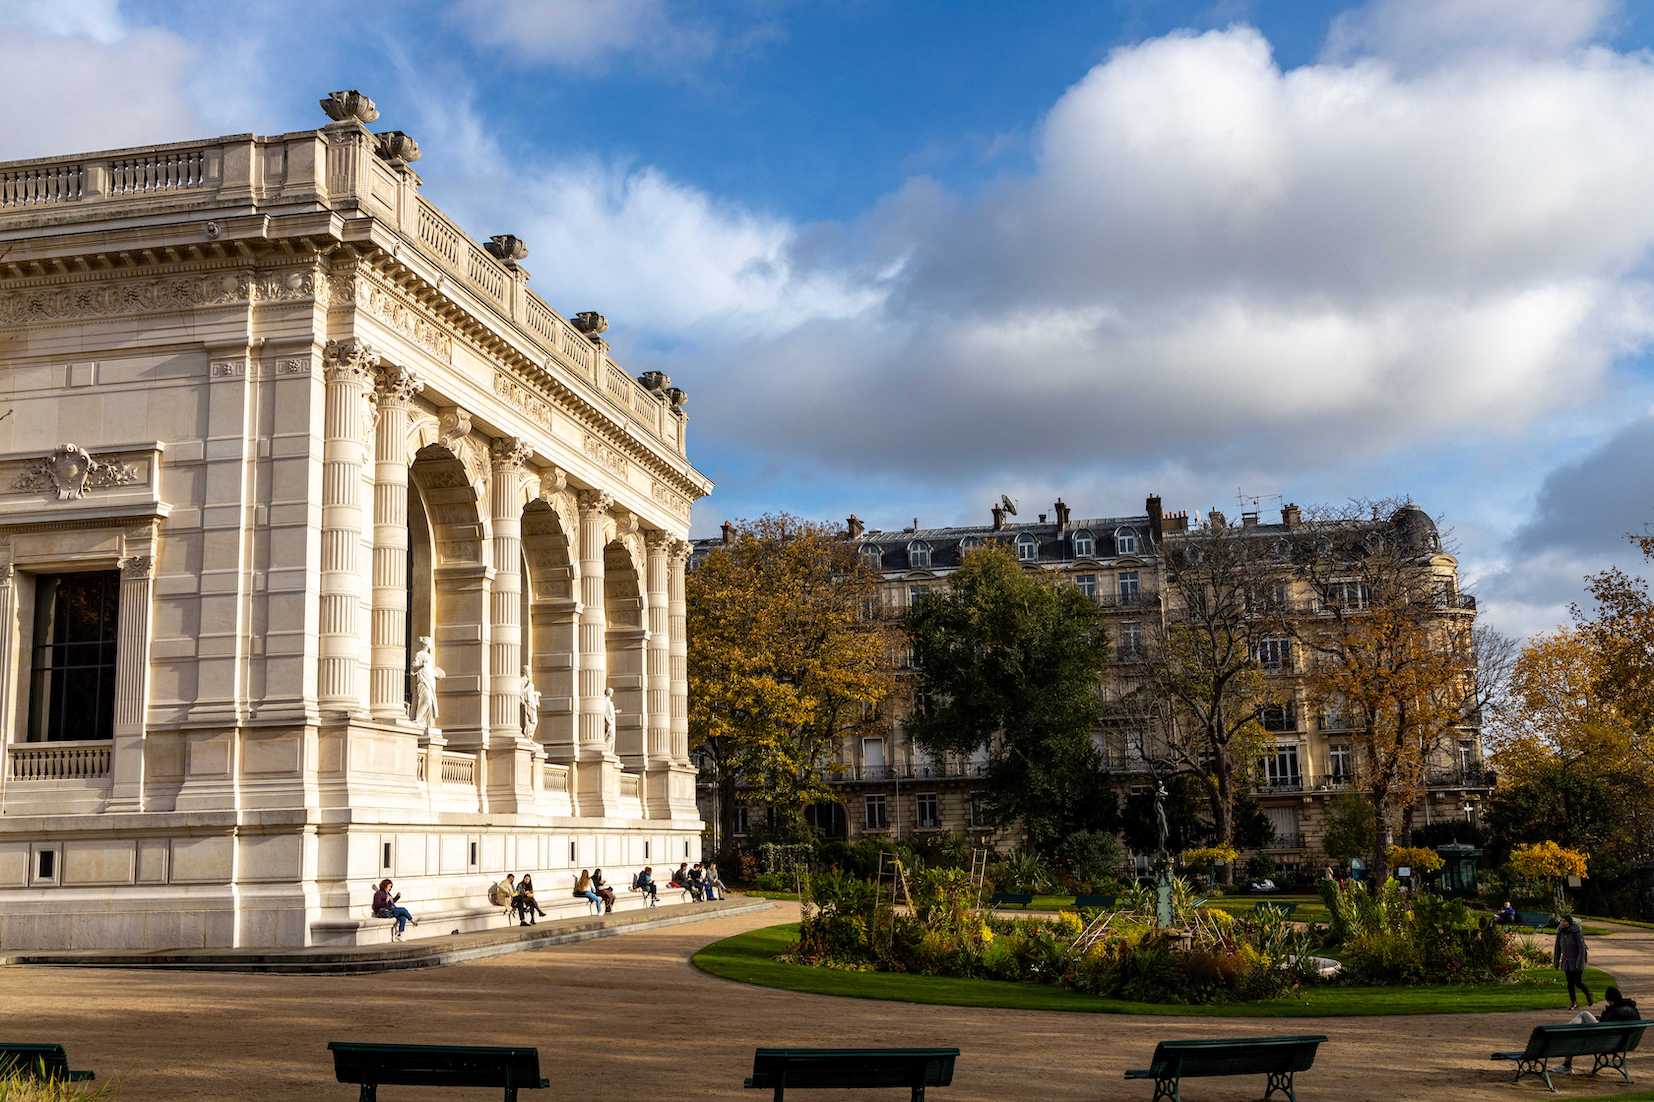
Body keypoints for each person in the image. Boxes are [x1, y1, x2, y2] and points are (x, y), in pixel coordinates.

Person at [1559, 986, 1639, 1072]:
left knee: (1584, 1014)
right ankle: (1566, 1062)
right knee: (1585, 1019)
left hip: (1603, 1042)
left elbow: (1604, 1025)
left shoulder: (1615, 1010)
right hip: (1624, 1043)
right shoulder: (1632, 1009)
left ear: (1610, 1000)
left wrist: (1600, 1019)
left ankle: (1565, 1035)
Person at [1555, 914, 1593, 1010]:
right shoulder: (1560, 932)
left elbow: (1581, 948)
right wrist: (1556, 961)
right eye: (1561, 921)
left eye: (1564, 921)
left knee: (1578, 982)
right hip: (1567, 962)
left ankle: (1588, 994)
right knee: (1570, 983)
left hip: (1576, 960)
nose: (1562, 923)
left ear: (1569, 922)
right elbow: (1557, 948)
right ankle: (1574, 1003)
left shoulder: (1576, 932)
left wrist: (1579, 962)